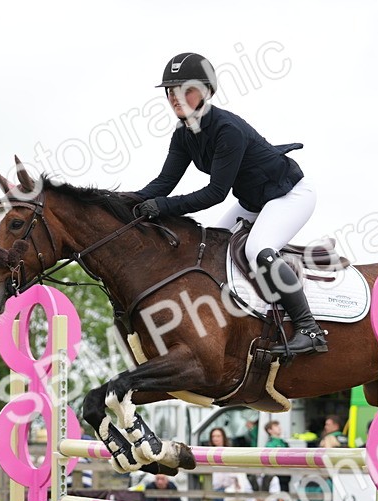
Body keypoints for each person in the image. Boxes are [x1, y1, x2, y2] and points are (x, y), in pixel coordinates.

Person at [130, 52, 326, 356]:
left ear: (206, 91)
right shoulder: (183, 135)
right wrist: (121, 203)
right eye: (170, 91)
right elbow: (163, 184)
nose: (175, 98)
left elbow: (215, 193)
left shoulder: (227, 130)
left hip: (290, 194)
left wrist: (161, 207)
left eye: (185, 90)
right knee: (206, 251)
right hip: (253, 200)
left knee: (257, 250)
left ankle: (309, 328)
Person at [206, 427, 245, 501]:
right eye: (213, 436)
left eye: (218, 436)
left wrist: (237, 483)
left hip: (228, 488)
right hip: (217, 488)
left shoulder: (229, 451)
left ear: (223, 437)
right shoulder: (209, 452)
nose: (216, 439)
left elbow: (235, 469)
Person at [263, 420, 292, 494]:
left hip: (286, 474)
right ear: (270, 430)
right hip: (277, 474)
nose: (279, 428)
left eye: (278, 426)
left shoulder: (284, 442)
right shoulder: (270, 445)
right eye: (275, 426)